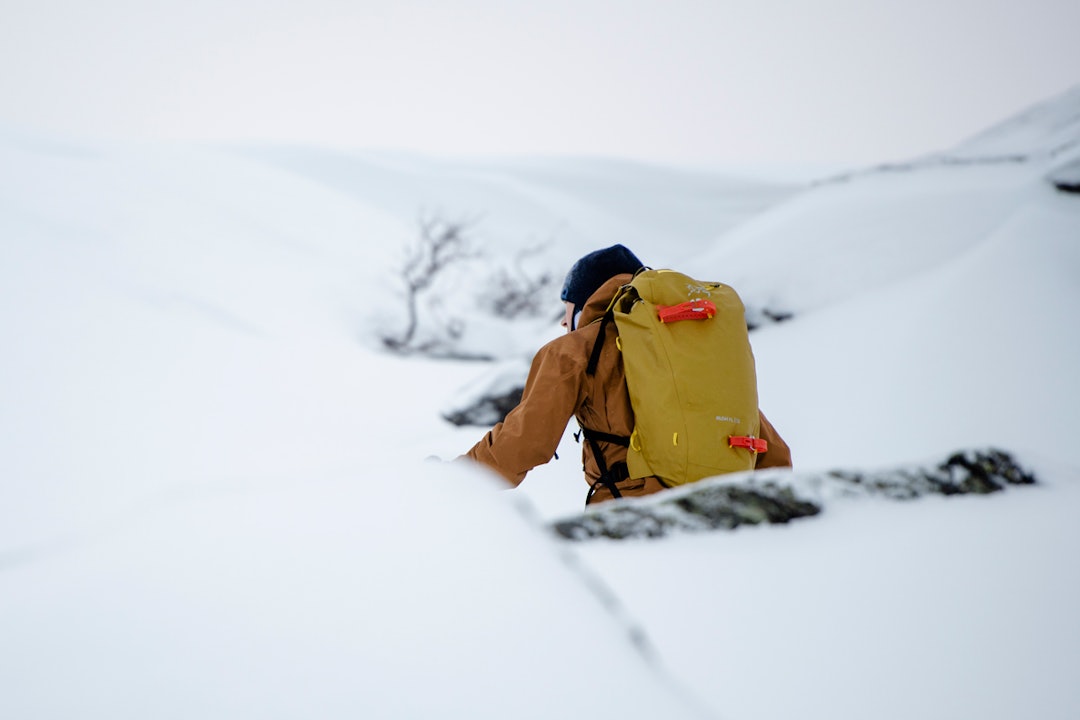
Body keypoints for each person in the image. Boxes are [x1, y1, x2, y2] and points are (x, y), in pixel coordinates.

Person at [463, 244, 792, 504]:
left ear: (585, 302)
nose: (564, 322)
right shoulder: (688, 357)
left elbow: (523, 442)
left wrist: (455, 480)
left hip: (631, 509)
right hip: (719, 511)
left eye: (567, 308)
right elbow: (774, 455)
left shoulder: (576, 349)